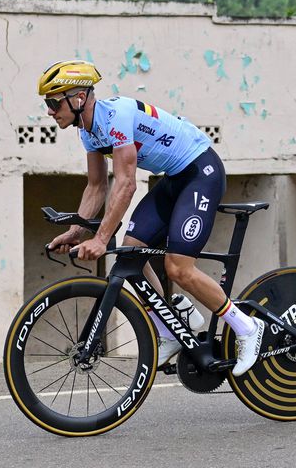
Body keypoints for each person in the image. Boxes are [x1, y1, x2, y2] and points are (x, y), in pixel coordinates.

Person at [38, 60, 264, 376]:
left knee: (177, 267)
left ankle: (247, 327)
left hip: (200, 172)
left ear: (77, 99)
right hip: (173, 178)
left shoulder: (116, 117)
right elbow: (97, 186)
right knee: (131, 252)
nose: (49, 111)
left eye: (53, 102)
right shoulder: (88, 132)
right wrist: (76, 231)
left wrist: (101, 238)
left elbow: (127, 183)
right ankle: (170, 330)